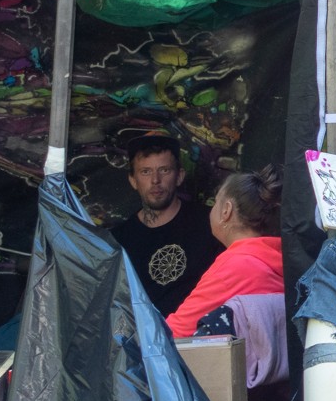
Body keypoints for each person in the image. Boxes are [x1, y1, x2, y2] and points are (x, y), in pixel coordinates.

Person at [110, 134, 223, 316]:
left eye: (164, 170)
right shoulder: (118, 241)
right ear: (133, 180)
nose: (155, 180)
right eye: (145, 172)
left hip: (201, 330)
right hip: (143, 333)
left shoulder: (211, 224)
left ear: (179, 176)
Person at [165, 166, 285, 338]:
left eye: (215, 202)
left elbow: (174, 332)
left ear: (226, 211)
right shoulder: (278, 258)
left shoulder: (236, 265)